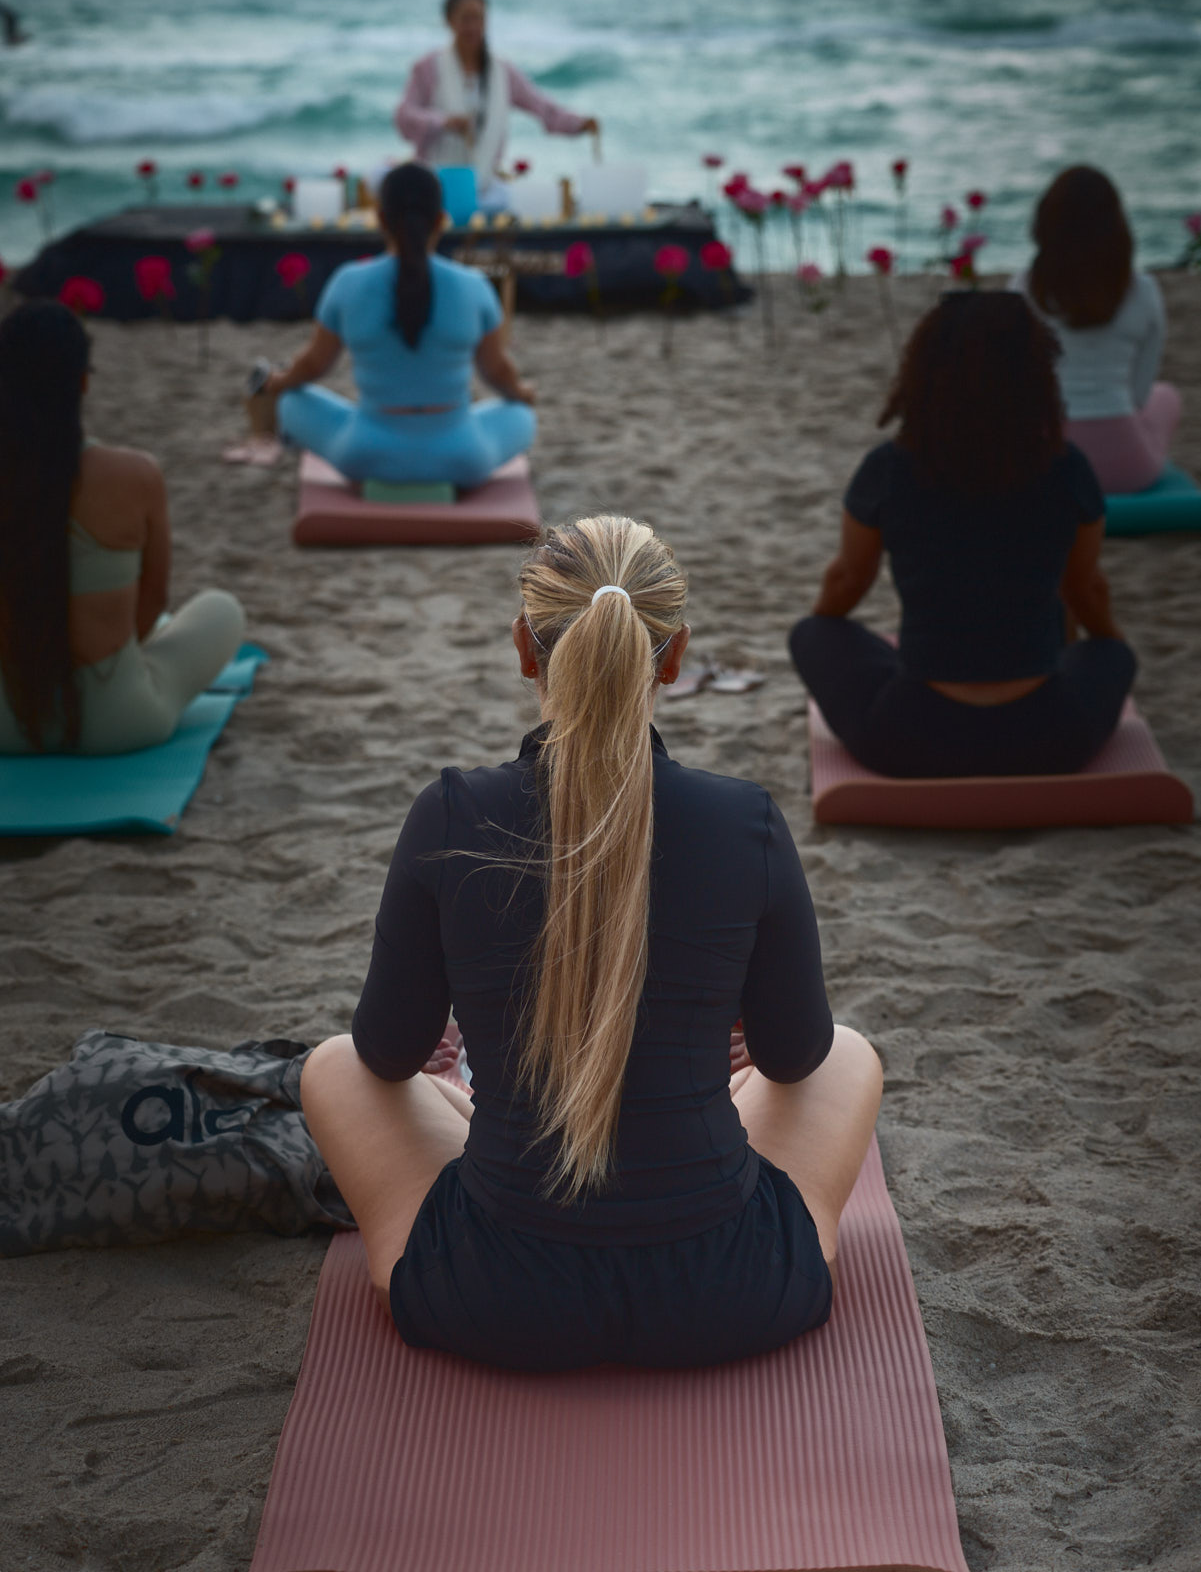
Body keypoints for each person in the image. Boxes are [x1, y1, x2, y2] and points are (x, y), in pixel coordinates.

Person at [301, 516, 882, 1373]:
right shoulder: (745, 823)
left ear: (524, 649)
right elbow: (794, 1058)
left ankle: (483, 1119)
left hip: (490, 1294)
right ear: (674, 657)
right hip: (732, 1289)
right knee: (848, 1053)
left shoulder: (451, 816)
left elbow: (388, 1055)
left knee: (333, 1064)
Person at [789, 292, 1136, 780]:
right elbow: (1085, 590)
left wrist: (831, 633)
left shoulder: (889, 469)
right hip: (1052, 739)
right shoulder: (1067, 467)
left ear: (924, 374)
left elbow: (847, 580)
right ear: (1036, 375)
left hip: (910, 740)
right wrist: (1103, 651)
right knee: (1114, 653)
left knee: (811, 633)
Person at [0, 302, 243, 756]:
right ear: (83, 381)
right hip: (116, 720)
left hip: (8, 723)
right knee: (222, 609)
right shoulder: (133, 474)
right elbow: (152, 602)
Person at [260, 162, 536, 488]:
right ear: (440, 220)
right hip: (462, 459)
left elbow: (313, 365)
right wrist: (521, 393)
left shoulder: (348, 282)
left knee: (291, 402)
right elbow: (498, 372)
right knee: (522, 416)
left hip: (364, 456)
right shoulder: (473, 286)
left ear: (380, 220)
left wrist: (280, 381)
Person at [1011, 165, 1181, 493]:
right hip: (1128, 470)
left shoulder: (1024, 288)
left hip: (1048, 464)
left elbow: (1019, 387)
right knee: (1166, 397)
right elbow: (1139, 396)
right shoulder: (1143, 291)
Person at [395, 0, 599, 199]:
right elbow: (403, 117)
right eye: (465, 19)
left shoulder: (502, 72)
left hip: (484, 186)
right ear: (449, 21)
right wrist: (444, 122)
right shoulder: (428, 68)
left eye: (479, 18)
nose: (473, 26)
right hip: (434, 189)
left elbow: (543, 109)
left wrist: (580, 124)